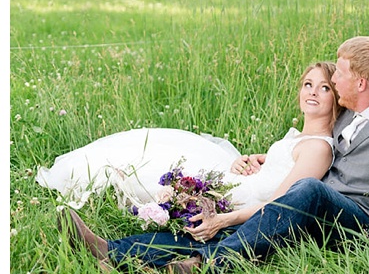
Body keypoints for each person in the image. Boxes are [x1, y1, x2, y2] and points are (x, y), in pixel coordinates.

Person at [64, 36, 369, 274]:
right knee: (227, 226)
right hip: (314, 212)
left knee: (305, 192)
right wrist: (267, 159)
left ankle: (207, 267)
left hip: (363, 224)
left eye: (341, 75)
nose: (333, 81)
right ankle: (115, 253)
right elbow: (311, 140)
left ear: (362, 83)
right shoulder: (348, 111)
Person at [40, 62, 341, 213]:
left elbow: (282, 202)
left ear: (338, 98)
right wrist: (252, 163)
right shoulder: (301, 138)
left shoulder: (318, 148)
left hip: (241, 200)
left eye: (324, 87)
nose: (313, 91)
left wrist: (225, 219)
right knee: (162, 146)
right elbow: (282, 169)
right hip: (241, 182)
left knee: (154, 174)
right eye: (307, 83)